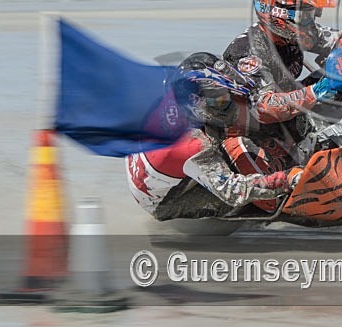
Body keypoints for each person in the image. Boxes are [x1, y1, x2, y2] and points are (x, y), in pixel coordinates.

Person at [125, 52, 299, 221]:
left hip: (152, 163)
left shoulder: (176, 89)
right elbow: (233, 190)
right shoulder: (192, 145)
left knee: (238, 128)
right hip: (164, 200)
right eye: (221, 101)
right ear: (195, 104)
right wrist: (286, 179)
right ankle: (279, 210)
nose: (230, 103)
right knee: (242, 192)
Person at [222, 0, 342, 177]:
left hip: (287, 120)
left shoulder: (293, 35)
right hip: (252, 134)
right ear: (277, 15)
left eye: (312, 15)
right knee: (278, 197)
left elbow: (341, 41)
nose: (310, 23)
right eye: (304, 16)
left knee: (336, 74)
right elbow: (264, 107)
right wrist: (316, 92)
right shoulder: (248, 52)